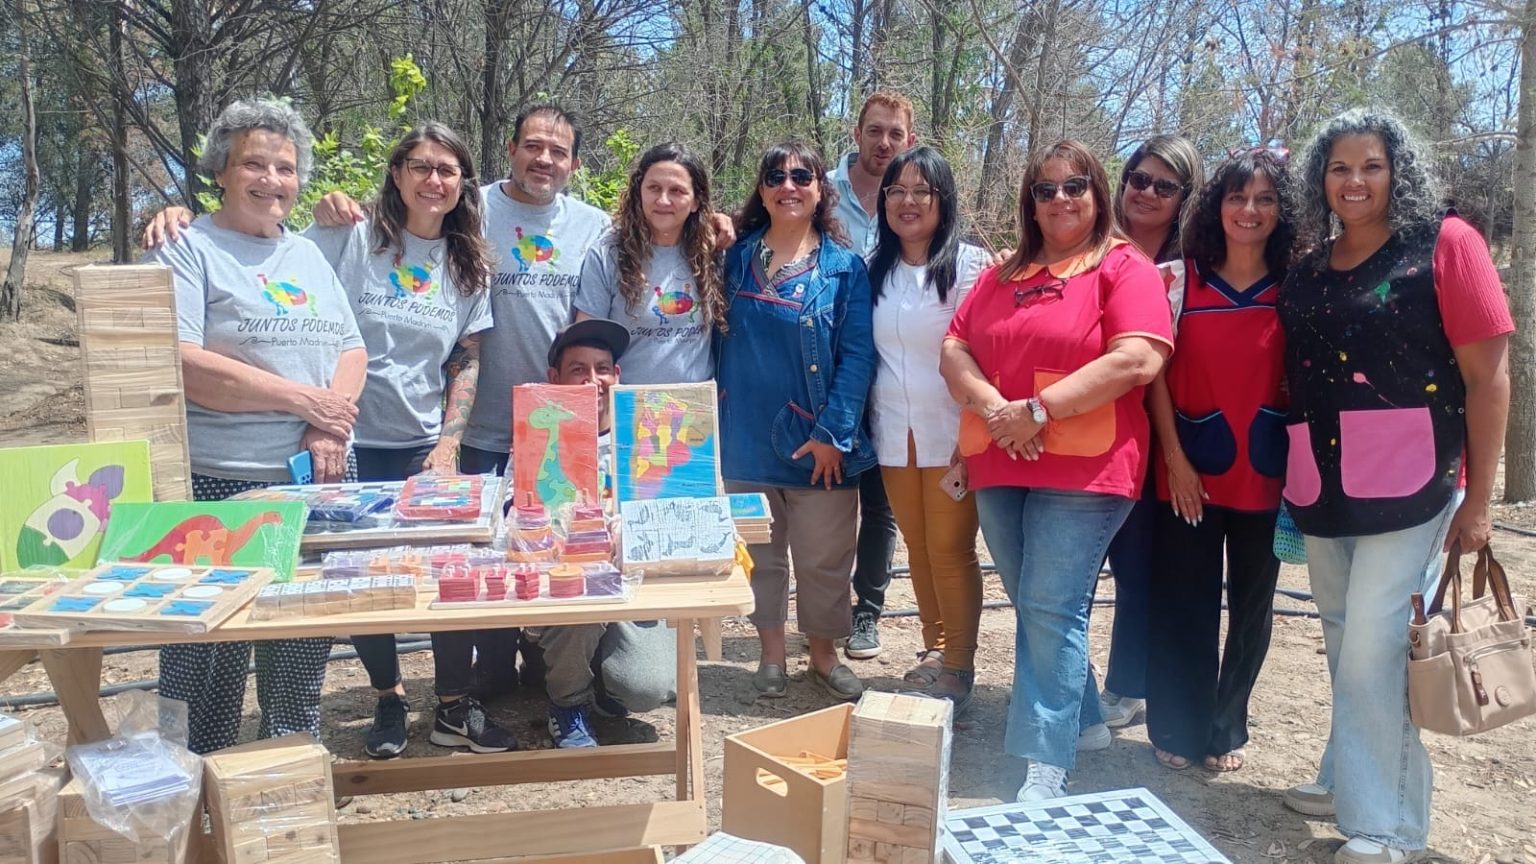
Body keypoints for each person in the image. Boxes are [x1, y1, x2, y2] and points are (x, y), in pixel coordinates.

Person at [1277, 110, 1512, 864]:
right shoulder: (1310, 264)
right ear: (1320, 179)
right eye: (1339, 168)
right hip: (1322, 483)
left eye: (1371, 166)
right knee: (1344, 636)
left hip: (1415, 484)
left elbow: (1489, 377)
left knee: (1374, 650)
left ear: (1398, 171)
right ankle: (1349, 776)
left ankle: (1388, 826)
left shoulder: (1447, 245)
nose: (1355, 181)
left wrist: (1480, 500)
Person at [939, 139, 1172, 801]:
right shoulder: (1002, 274)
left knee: (1050, 606)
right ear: (1031, 202)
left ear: (1097, 193)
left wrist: (1038, 410)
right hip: (999, 455)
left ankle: (1046, 764)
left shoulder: (1123, 267)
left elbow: (1138, 358)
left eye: (1075, 186)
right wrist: (996, 409)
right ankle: (1085, 720)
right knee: (1037, 603)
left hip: (1086, 469)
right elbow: (954, 347)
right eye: (1046, 189)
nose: (1061, 199)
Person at [144, 97, 368, 754]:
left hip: (315, 480)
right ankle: (192, 780)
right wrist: (305, 402)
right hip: (223, 484)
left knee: (298, 646)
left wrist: (329, 425)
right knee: (205, 654)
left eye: (285, 168)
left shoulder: (308, 255)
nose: (272, 180)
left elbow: (351, 348)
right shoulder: (187, 247)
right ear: (221, 170)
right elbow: (183, 363)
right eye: (254, 164)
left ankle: (285, 774)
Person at [1143, 149, 1295, 773]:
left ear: (1282, 211)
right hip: (1188, 474)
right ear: (1217, 205)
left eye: (1265, 199)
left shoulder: (1297, 286)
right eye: (1237, 197)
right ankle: (1176, 726)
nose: (1249, 210)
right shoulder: (1177, 281)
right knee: (1184, 602)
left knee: (1252, 610)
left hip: (1267, 473)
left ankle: (1225, 729)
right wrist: (1174, 458)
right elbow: (1154, 374)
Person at [718, 141, 877, 703]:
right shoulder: (729, 260)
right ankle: (771, 655)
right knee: (761, 557)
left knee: (823, 560)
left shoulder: (844, 269)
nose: (788, 185)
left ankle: (824, 657)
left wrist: (833, 434)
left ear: (820, 188)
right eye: (775, 176)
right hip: (742, 439)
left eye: (801, 176)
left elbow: (858, 357)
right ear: (761, 190)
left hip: (817, 443)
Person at [865, 146, 987, 710]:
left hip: (953, 434)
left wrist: (974, 432)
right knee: (917, 546)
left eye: (921, 191)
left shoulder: (973, 268)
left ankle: (959, 663)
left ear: (944, 199)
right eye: (897, 191)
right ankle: (935, 647)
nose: (907, 202)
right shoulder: (873, 268)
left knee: (950, 549)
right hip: (894, 433)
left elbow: (985, 354)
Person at [1091, 133, 1205, 733]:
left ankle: (1131, 685)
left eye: (1166, 185)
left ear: (1185, 196)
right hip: (1097, 426)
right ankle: (1076, 684)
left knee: (1144, 567)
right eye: (1139, 179)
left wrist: (1177, 452)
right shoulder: (1093, 248)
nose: (1148, 193)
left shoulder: (1197, 264)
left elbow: (1157, 362)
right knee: (1095, 562)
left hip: (1171, 432)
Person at [526, 318, 678, 748]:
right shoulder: (537, 438)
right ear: (554, 378)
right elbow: (519, 526)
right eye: (578, 370)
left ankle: (606, 689)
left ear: (617, 376)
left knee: (646, 688)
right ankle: (568, 702)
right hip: (569, 592)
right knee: (582, 586)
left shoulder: (649, 437)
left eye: (603, 368)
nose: (592, 380)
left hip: (636, 588)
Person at [828, 92, 916, 661]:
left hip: (890, 375)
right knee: (832, 501)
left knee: (880, 506)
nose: (884, 143)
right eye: (875, 131)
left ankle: (869, 610)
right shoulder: (819, 190)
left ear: (909, 139)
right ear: (857, 132)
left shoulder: (913, 197)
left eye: (895, 134)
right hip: (827, 372)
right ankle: (827, 607)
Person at [572, 142, 725, 382]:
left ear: (696, 201)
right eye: (654, 188)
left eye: (677, 191)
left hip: (696, 402)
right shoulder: (608, 254)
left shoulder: (714, 252)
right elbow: (586, 343)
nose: (663, 200)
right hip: (626, 400)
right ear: (639, 192)